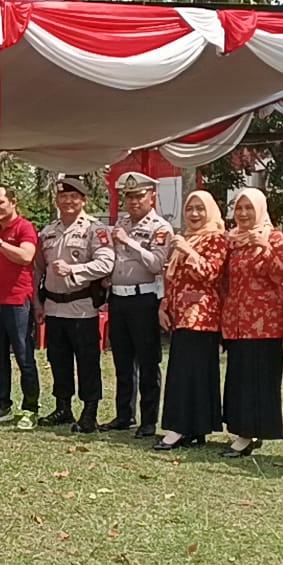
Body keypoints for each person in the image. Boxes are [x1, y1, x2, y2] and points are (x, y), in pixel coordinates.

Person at [34, 177, 114, 433]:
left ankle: (89, 412)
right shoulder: (48, 231)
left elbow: (106, 263)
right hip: (54, 307)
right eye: (63, 196)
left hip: (81, 306)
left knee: (87, 362)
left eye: (73, 197)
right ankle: (63, 407)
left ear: (83, 200)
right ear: (57, 200)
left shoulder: (95, 229)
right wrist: (37, 302)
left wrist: (74, 269)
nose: (68, 201)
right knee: (58, 360)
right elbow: (38, 269)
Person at [219, 188, 283, 458]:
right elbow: (226, 281)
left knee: (260, 379)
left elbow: (281, 276)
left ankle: (251, 432)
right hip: (237, 321)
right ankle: (243, 429)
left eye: (249, 208)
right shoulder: (232, 241)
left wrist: (264, 247)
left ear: (260, 209)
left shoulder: (275, 238)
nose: (243, 213)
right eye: (239, 208)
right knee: (240, 378)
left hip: (265, 323)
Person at [103, 172, 173, 438]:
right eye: (129, 196)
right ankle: (124, 414)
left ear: (151, 197)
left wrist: (128, 242)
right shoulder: (121, 223)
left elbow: (156, 263)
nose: (133, 201)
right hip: (118, 298)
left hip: (143, 298)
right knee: (122, 360)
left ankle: (149, 420)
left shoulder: (160, 227)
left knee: (147, 361)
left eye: (139, 196)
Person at [156, 191, 228, 450]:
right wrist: (164, 305)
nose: (194, 214)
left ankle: (180, 427)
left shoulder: (216, 238)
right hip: (181, 316)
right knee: (184, 371)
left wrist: (188, 251)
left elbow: (211, 273)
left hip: (202, 317)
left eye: (200, 208)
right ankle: (194, 428)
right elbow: (175, 279)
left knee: (191, 373)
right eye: (190, 208)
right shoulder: (188, 237)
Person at [0, 185, 41, 430]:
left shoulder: (24, 227)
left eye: (0, 202)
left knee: (24, 357)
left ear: (13, 202)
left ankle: (30, 409)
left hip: (17, 303)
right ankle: (3, 405)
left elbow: (26, 256)